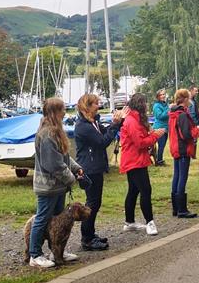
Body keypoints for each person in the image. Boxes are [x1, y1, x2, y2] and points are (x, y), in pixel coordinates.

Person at [29, 98, 84, 268]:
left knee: (58, 221)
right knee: (42, 219)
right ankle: (35, 254)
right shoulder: (47, 134)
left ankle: (57, 252)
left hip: (59, 186)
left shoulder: (56, 131)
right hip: (48, 186)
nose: (65, 113)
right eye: (62, 110)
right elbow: (53, 164)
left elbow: (64, 157)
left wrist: (76, 168)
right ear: (54, 112)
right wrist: (71, 178)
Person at [74, 94, 124, 251]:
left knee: (95, 202)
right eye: (96, 103)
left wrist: (118, 122)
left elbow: (106, 132)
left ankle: (90, 234)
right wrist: (115, 124)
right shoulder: (83, 126)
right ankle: (87, 239)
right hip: (89, 168)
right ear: (87, 107)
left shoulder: (93, 122)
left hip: (95, 167)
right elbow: (102, 142)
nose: (99, 105)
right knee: (92, 203)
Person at [120, 93, 164, 235]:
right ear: (141, 104)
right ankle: (149, 222)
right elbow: (140, 143)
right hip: (135, 161)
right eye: (145, 103)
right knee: (145, 190)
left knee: (134, 190)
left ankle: (129, 221)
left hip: (134, 159)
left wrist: (152, 133)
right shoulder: (132, 121)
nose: (147, 106)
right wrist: (155, 136)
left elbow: (141, 138)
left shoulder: (135, 119)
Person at [169, 89, 199, 218]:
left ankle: (176, 208)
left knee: (176, 176)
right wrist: (196, 132)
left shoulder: (173, 113)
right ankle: (182, 209)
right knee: (182, 177)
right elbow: (186, 134)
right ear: (186, 99)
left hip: (176, 147)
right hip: (183, 148)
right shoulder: (182, 115)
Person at [152, 89, 170, 166]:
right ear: (158, 96)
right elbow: (160, 116)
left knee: (163, 146)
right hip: (159, 128)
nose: (163, 96)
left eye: (164, 94)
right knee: (161, 145)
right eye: (161, 95)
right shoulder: (156, 106)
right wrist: (169, 110)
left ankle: (160, 159)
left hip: (166, 128)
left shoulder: (165, 104)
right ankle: (159, 161)